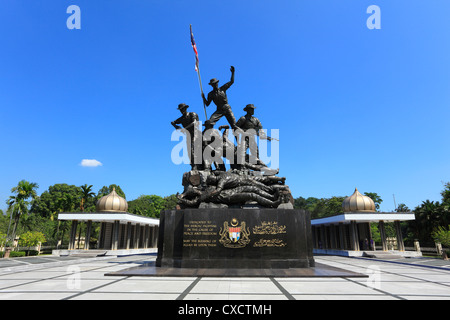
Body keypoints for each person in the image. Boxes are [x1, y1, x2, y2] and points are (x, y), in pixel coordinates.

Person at [171, 103, 200, 170]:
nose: (182, 111)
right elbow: (172, 122)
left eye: (183, 109)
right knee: (189, 151)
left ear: (186, 108)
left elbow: (194, 123)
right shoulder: (181, 118)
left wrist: (184, 129)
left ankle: (195, 165)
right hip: (189, 135)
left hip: (196, 134)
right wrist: (176, 127)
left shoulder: (192, 114)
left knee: (193, 149)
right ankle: (193, 164)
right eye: (181, 110)